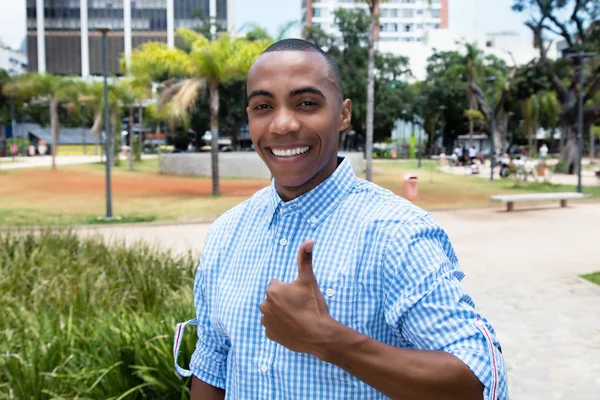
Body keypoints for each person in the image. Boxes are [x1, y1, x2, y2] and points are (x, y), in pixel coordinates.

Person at [174, 39, 508, 400]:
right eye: (263, 106)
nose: (283, 124)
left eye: (306, 103)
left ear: (343, 114)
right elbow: (213, 365)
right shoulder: (227, 233)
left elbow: (480, 381)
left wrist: (328, 340)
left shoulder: (396, 234)